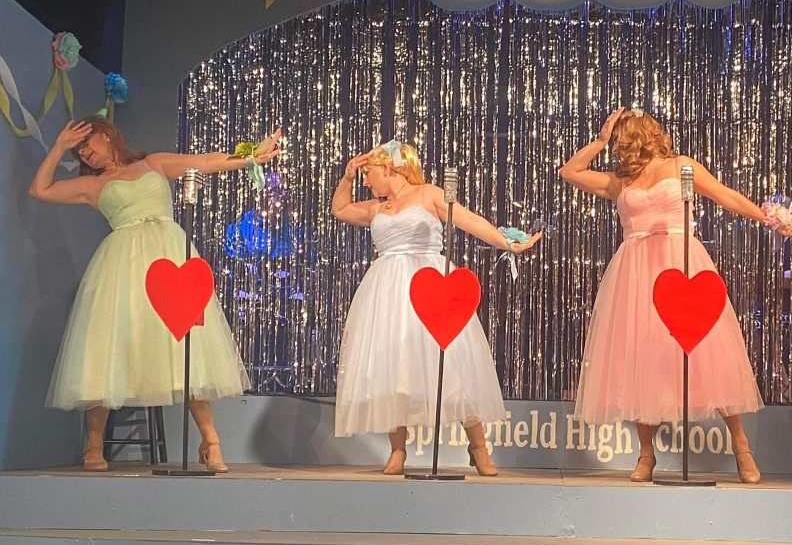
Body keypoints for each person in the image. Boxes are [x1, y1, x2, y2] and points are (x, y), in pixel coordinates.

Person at [560, 108, 792, 483]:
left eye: (621, 135)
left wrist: (771, 220)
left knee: (709, 354)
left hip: (680, 263)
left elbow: (725, 196)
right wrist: (598, 140)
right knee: (641, 358)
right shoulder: (620, 180)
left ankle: (741, 446)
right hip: (636, 273)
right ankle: (646, 455)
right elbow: (570, 172)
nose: (620, 142)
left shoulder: (681, 165)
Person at [30, 116, 279, 472]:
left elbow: (205, 162)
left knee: (187, 346)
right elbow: (40, 189)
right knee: (106, 349)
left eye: (87, 143)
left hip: (169, 258)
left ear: (106, 135)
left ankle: (211, 442)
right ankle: (94, 445)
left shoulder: (154, 164)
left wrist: (251, 156)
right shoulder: (92, 184)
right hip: (122, 265)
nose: (84, 153)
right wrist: (59, 147)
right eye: (78, 150)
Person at [332, 140, 542, 476]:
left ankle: (478, 447)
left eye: (368, 173)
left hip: (431, 284)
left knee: (453, 366)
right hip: (389, 291)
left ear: (388, 167)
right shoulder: (376, 208)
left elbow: (468, 220)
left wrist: (507, 243)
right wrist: (347, 177)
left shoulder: (429, 194)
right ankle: (397, 450)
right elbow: (340, 209)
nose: (365, 180)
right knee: (395, 368)